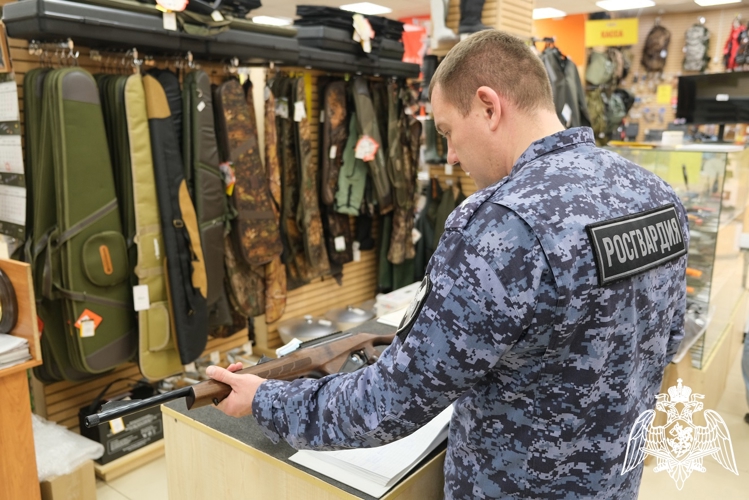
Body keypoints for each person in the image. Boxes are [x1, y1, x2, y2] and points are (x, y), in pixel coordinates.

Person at [207, 30, 688, 499]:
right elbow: (665, 343)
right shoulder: (656, 195)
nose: (452, 155)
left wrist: (265, 399)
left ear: (488, 106)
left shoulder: (501, 223)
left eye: (447, 132)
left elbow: (389, 401)